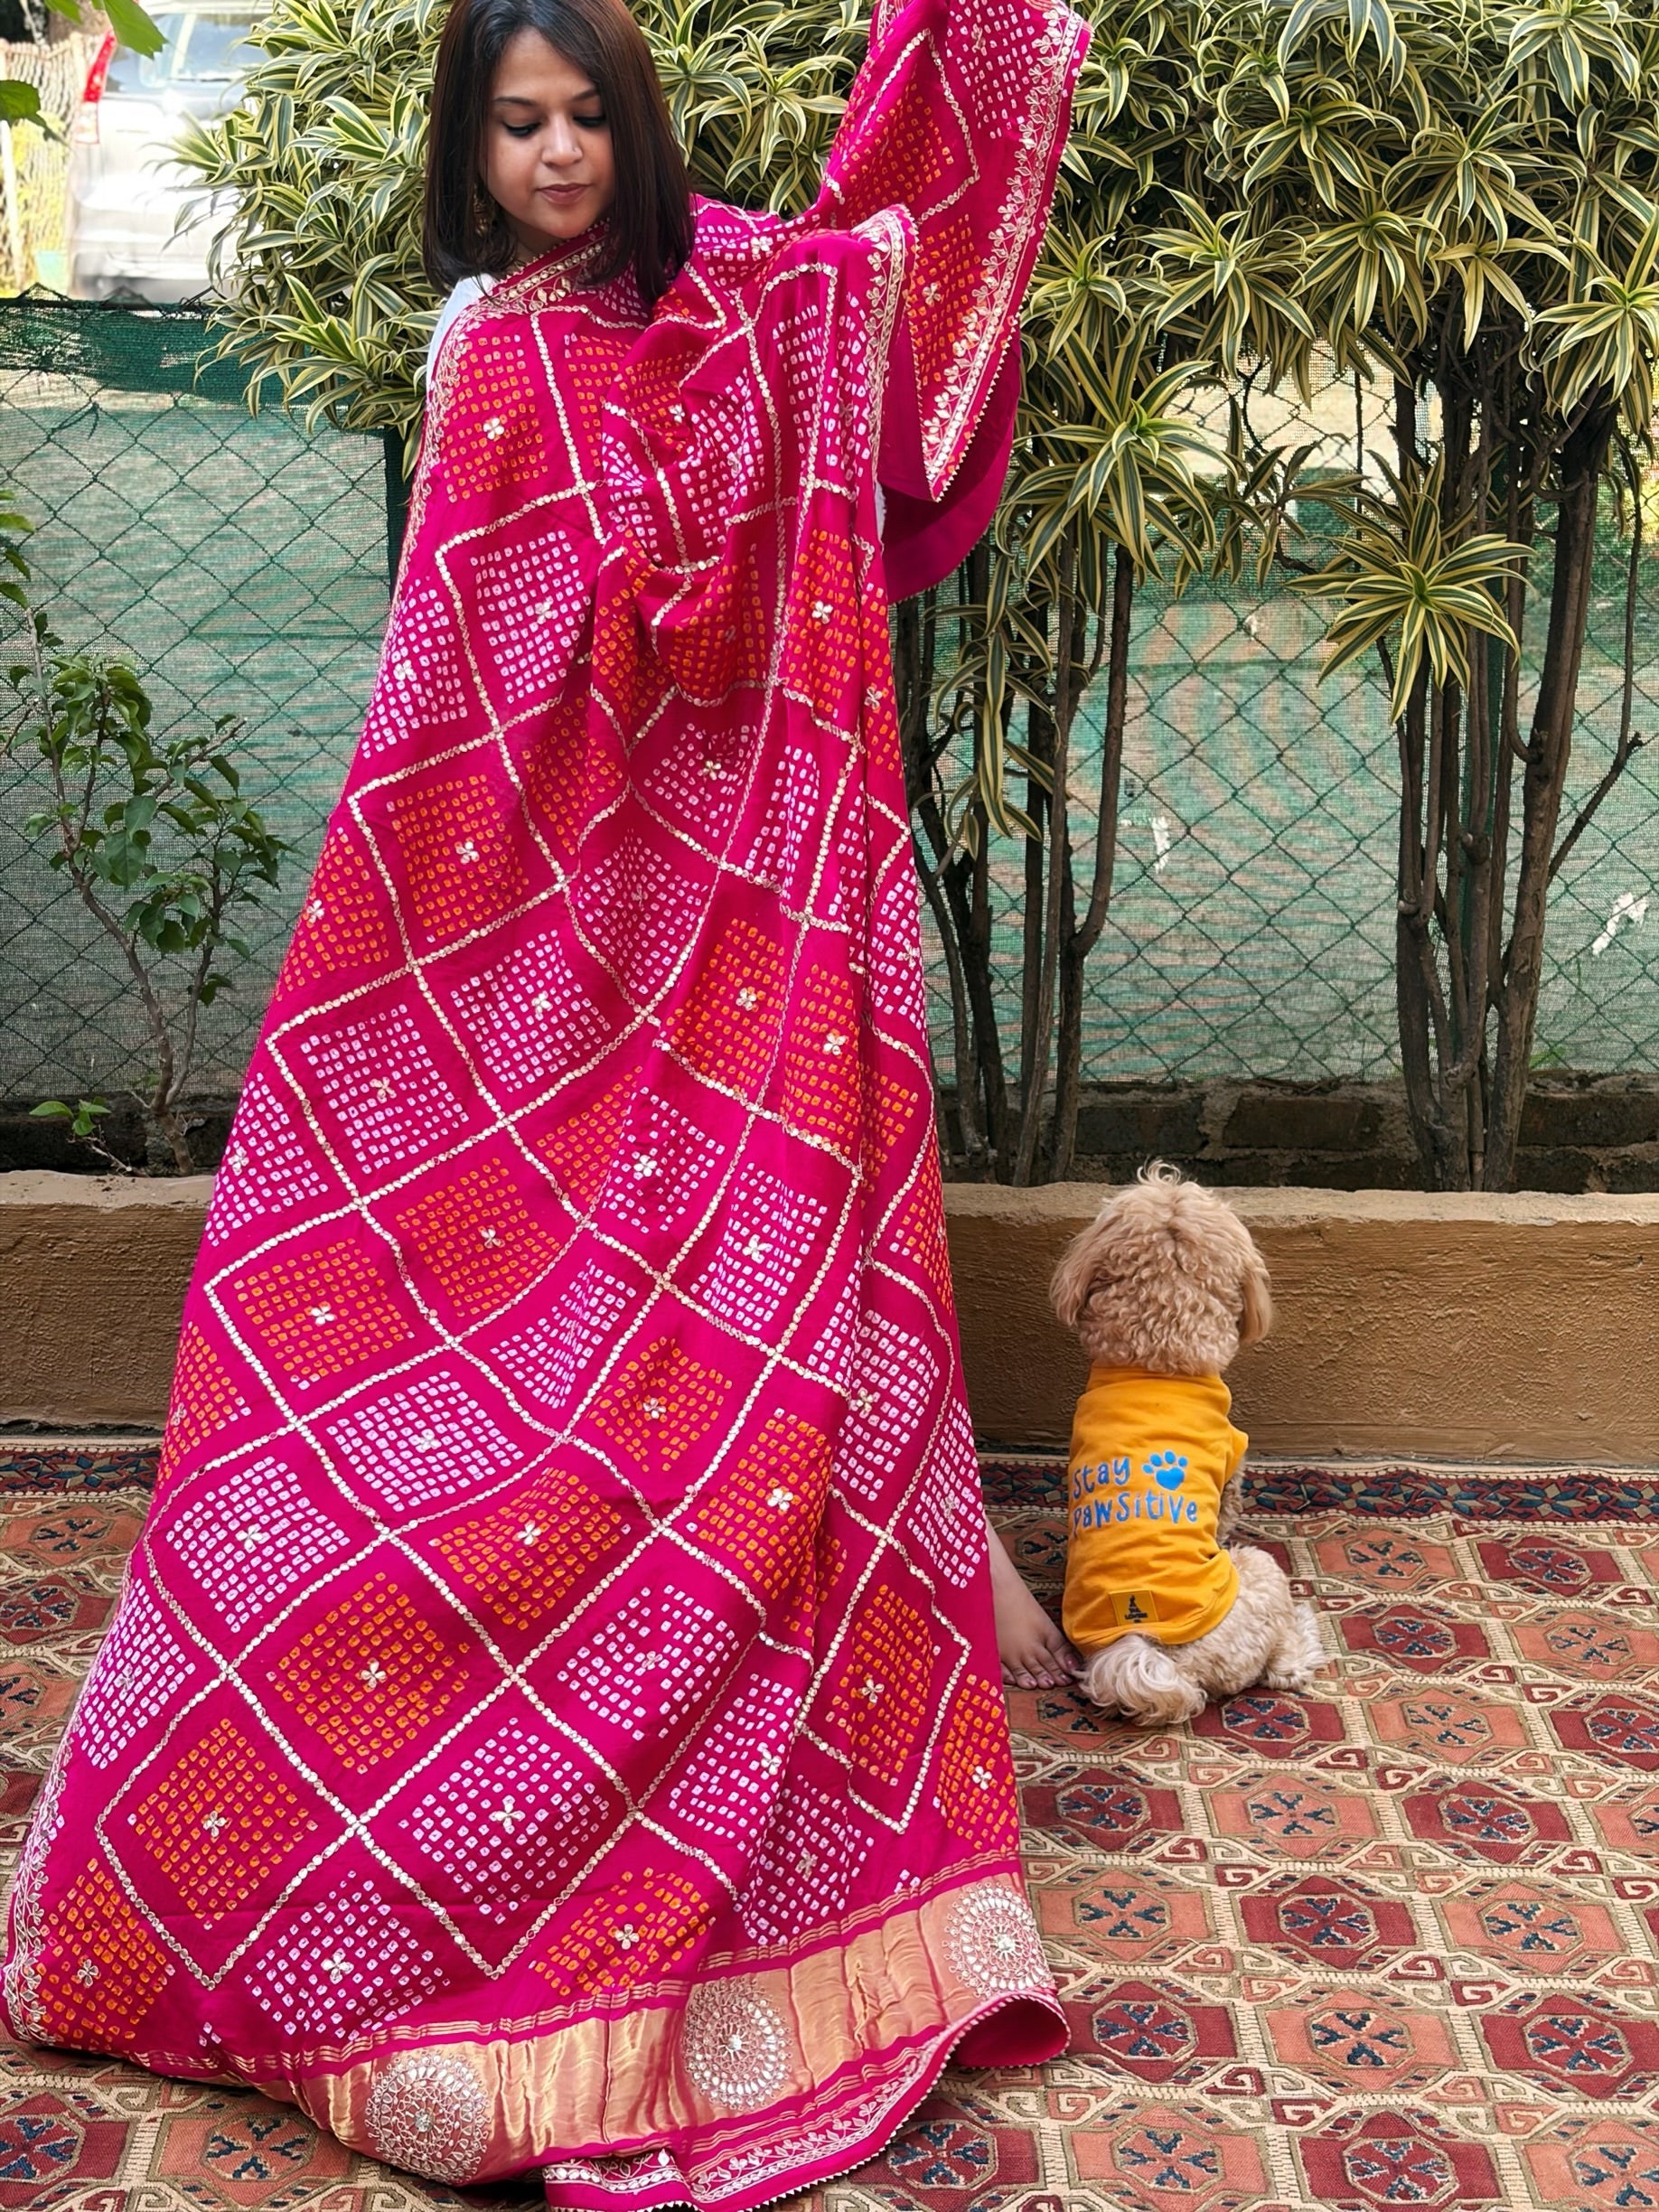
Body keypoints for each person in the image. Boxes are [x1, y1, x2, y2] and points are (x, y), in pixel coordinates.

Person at [1, 0, 1088, 2201]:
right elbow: (456, 684)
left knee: (751, 1368)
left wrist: (952, 45)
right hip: (506, 943)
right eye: (521, 122)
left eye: (593, 115)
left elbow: (893, 257)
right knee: (319, 1368)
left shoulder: (751, 303)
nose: (563, 153)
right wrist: (449, 947)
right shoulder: (492, 353)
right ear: (467, 145)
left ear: (639, 123)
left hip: (744, 954)